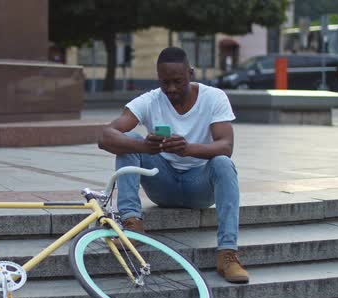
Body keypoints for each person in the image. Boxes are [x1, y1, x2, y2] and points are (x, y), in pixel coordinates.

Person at [98, 47, 249, 284]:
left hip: (199, 187)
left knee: (223, 163)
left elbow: (226, 145)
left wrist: (188, 148)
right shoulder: (149, 100)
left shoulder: (214, 97)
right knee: (131, 142)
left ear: (190, 73)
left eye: (178, 81)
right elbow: (106, 136)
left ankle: (227, 254)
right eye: (164, 82)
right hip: (163, 185)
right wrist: (145, 147)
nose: (171, 89)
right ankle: (131, 224)